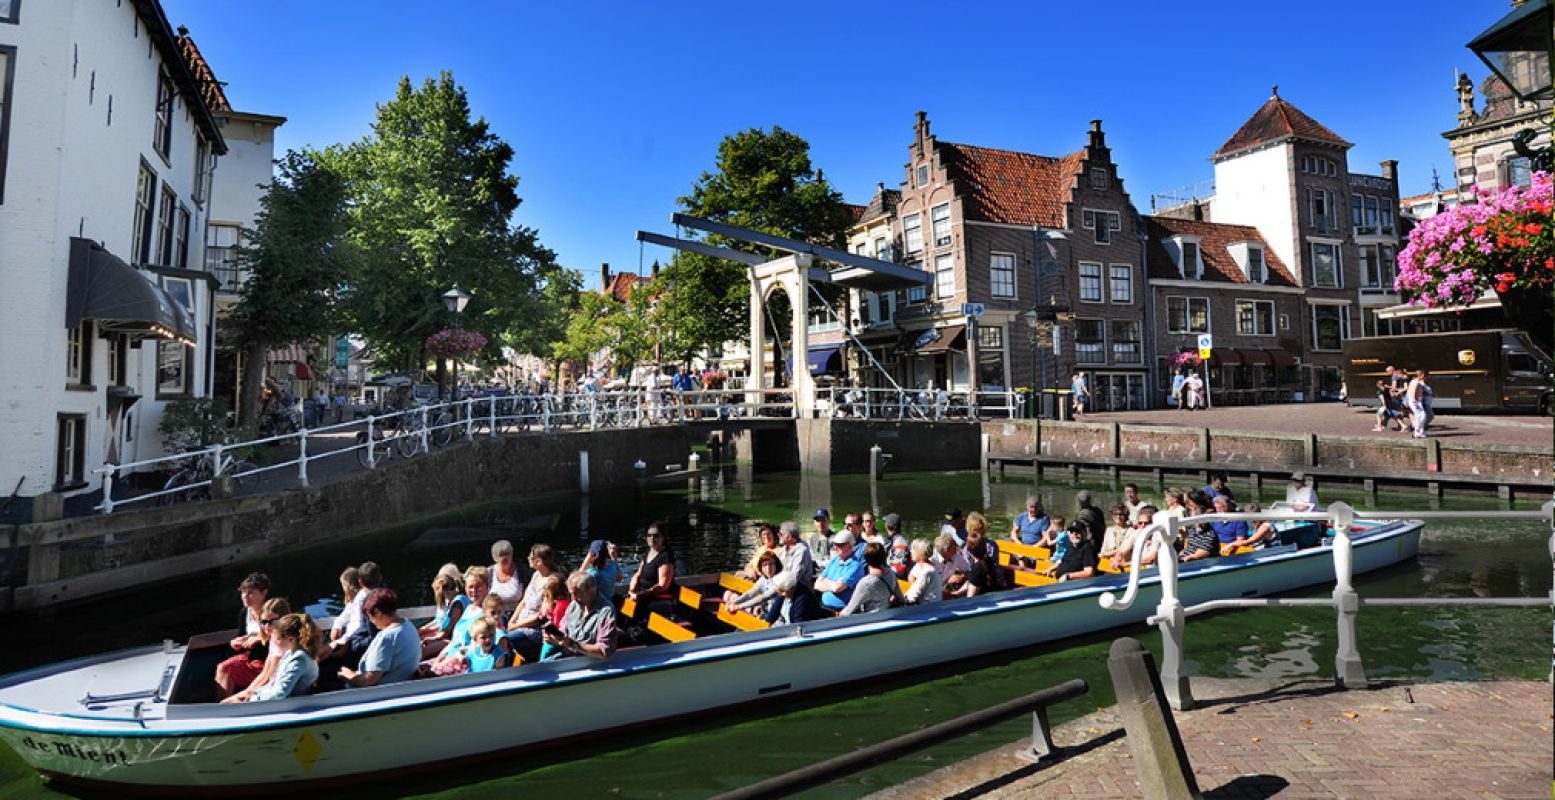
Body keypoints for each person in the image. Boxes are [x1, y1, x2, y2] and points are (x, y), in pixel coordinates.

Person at [338, 589, 420, 688]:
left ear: (377, 612)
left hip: (377, 692)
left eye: (369, 617)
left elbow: (368, 680)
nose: (371, 621)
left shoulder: (388, 638)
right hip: (401, 683)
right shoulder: (407, 625)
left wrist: (349, 675)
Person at [220, 597, 292, 703]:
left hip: (279, 693)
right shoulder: (273, 640)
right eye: (264, 622)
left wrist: (246, 695)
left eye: (273, 621)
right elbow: (265, 674)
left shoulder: (283, 643)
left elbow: (269, 678)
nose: (267, 626)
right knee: (226, 700)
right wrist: (246, 692)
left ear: (284, 619)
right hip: (269, 688)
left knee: (228, 702)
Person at [214, 572, 272, 699]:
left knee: (230, 668)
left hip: (269, 660)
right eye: (243, 592)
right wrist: (235, 642)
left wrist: (259, 638)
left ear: (263, 593)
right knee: (223, 668)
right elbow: (241, 635)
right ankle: (224, 705)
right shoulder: (245, 612)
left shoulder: (272, 611)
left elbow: (284, 634)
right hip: (251, 658)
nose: (245, 596)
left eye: (251, 593)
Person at [543, 572, 619, 661]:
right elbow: (563, 631)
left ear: (591, 590)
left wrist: (573, 644)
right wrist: (554, 638)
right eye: (571, 593)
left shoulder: (606, 612)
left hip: (589, 662)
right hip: (566, 658)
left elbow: (604, 651)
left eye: (576, 593)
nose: (573, 598)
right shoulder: (574, 606)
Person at [249, 613, 321, 702]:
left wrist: (256, 698)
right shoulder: (290, 653)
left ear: (290, 639)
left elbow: (280, 693)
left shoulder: (299, 659)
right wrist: (256, 692)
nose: (275, 642)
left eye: (278, 639)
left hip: (291, 705)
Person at [509, 545, 561, 662]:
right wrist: (512, 621)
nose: (527, 558)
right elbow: (524, 601)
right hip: (519, 623)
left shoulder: (552, 582)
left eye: (530, 556)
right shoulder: (536, 575)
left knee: (506, 640)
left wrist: (516, 626)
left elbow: (541, 616)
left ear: (538, 562)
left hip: (533, 630)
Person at [840, 543, 907, 616]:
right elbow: (901, 598)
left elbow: (849, 609)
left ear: (866, 559)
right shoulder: (890, 573)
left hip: (871, 620)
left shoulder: (866, 583)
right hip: (888, 614)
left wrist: (839, 615)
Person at [418, 564, 469, 658]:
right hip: (445, 636)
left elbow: (449, 630)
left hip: (452, 640)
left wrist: (433, 639)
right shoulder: (452, 600)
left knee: (420, 651)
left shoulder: (458, 603)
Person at [814, 531, 867, 611]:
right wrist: (832, 585)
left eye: (839, 545)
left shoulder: (856, 566)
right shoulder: (834, 561)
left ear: (850, 546)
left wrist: (825, 580)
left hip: (842, 610)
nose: (835, 547)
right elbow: (817, 585)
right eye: (834, 544)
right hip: (824, 607)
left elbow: (837, 588)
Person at [626, 524, 678, 607]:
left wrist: (640, 595)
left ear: (663, 538)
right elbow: (638, 574)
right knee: (619, 602)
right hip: (642, 596)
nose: (652, 538)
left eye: (656, 536)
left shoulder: (666, 557)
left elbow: (662, 586)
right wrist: (631, 591)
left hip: (658, 598)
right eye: (649, 535)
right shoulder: (649, 552)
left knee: (628, 609)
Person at [724, 551, 782, 619]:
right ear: (761, 568)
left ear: (776, 565)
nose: (768, 568)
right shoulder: (763, 579)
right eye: (765, 565)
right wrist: (733, 602)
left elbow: (763, 598)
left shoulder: (780, 580)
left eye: (771, 564)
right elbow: (749, 594)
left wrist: (739, 606)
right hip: (765, 614)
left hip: (778, 618)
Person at [961, 515, 1005, 596]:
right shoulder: (991, 544)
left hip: (988, 583)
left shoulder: (988, 546)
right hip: (983, 579)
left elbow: (973, 570)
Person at [487, 539, 524, 619]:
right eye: (501, 555)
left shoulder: (522, 571)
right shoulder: (489, 572)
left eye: (507, 554)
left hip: (518, 614)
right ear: (495, 557)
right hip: (494, 615)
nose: (505, 558)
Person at [327, 567, 362, 646]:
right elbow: (344, 616)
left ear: (348, 586)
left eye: (343, 585)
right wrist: (337, 626)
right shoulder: (352, 603)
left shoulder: (362, 601)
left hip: (354, 640)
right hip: (350, 639)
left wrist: (342, 641)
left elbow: (359, 626)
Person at [776, 521, 815, 589]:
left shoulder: (802, 551)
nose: (778, 535)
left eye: (780, 534)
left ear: (789, 536)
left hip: (796, 590)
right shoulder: (783, 550)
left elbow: (794, 578)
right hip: (781, 585)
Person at [904, 539, 944, 604]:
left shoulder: (927, 572)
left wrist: (900, 598)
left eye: (913, 549)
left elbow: (912, 597)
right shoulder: (923, 566)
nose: (910, 551)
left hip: (928, 608)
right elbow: (911, 578)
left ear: (920, 553)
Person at [1407, 371, 1430, 438]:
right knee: (1420, 416)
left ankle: (1421, 431)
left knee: (1422, 416)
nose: (1426, 377)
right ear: (1422, 375)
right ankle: (1416, 432)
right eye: (1425, 376)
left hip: (1417, 401)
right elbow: (1412, 391)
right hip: (1416, 401)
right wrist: (1414, 401)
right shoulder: (1416, 382)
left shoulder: (1415, 381)